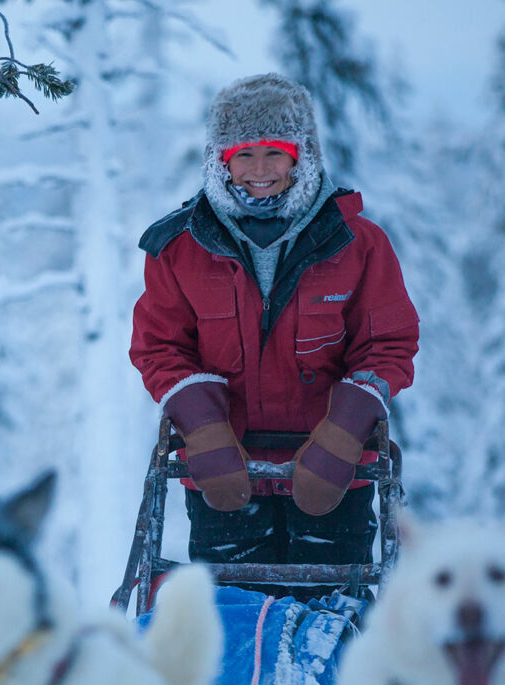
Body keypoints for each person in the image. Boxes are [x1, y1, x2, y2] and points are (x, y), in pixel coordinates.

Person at [129, 73, 419, 568]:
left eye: (274, 152)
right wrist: (201, 427)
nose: (258, 169)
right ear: (220, 160)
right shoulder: (179, 247)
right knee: (231, 624)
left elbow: (388, 343)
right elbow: (159, 346)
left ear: (300, 156)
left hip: (336, 474)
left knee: (333, 620)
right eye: (242, 154)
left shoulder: (359, 243)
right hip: (222, 474)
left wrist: (345, 430)